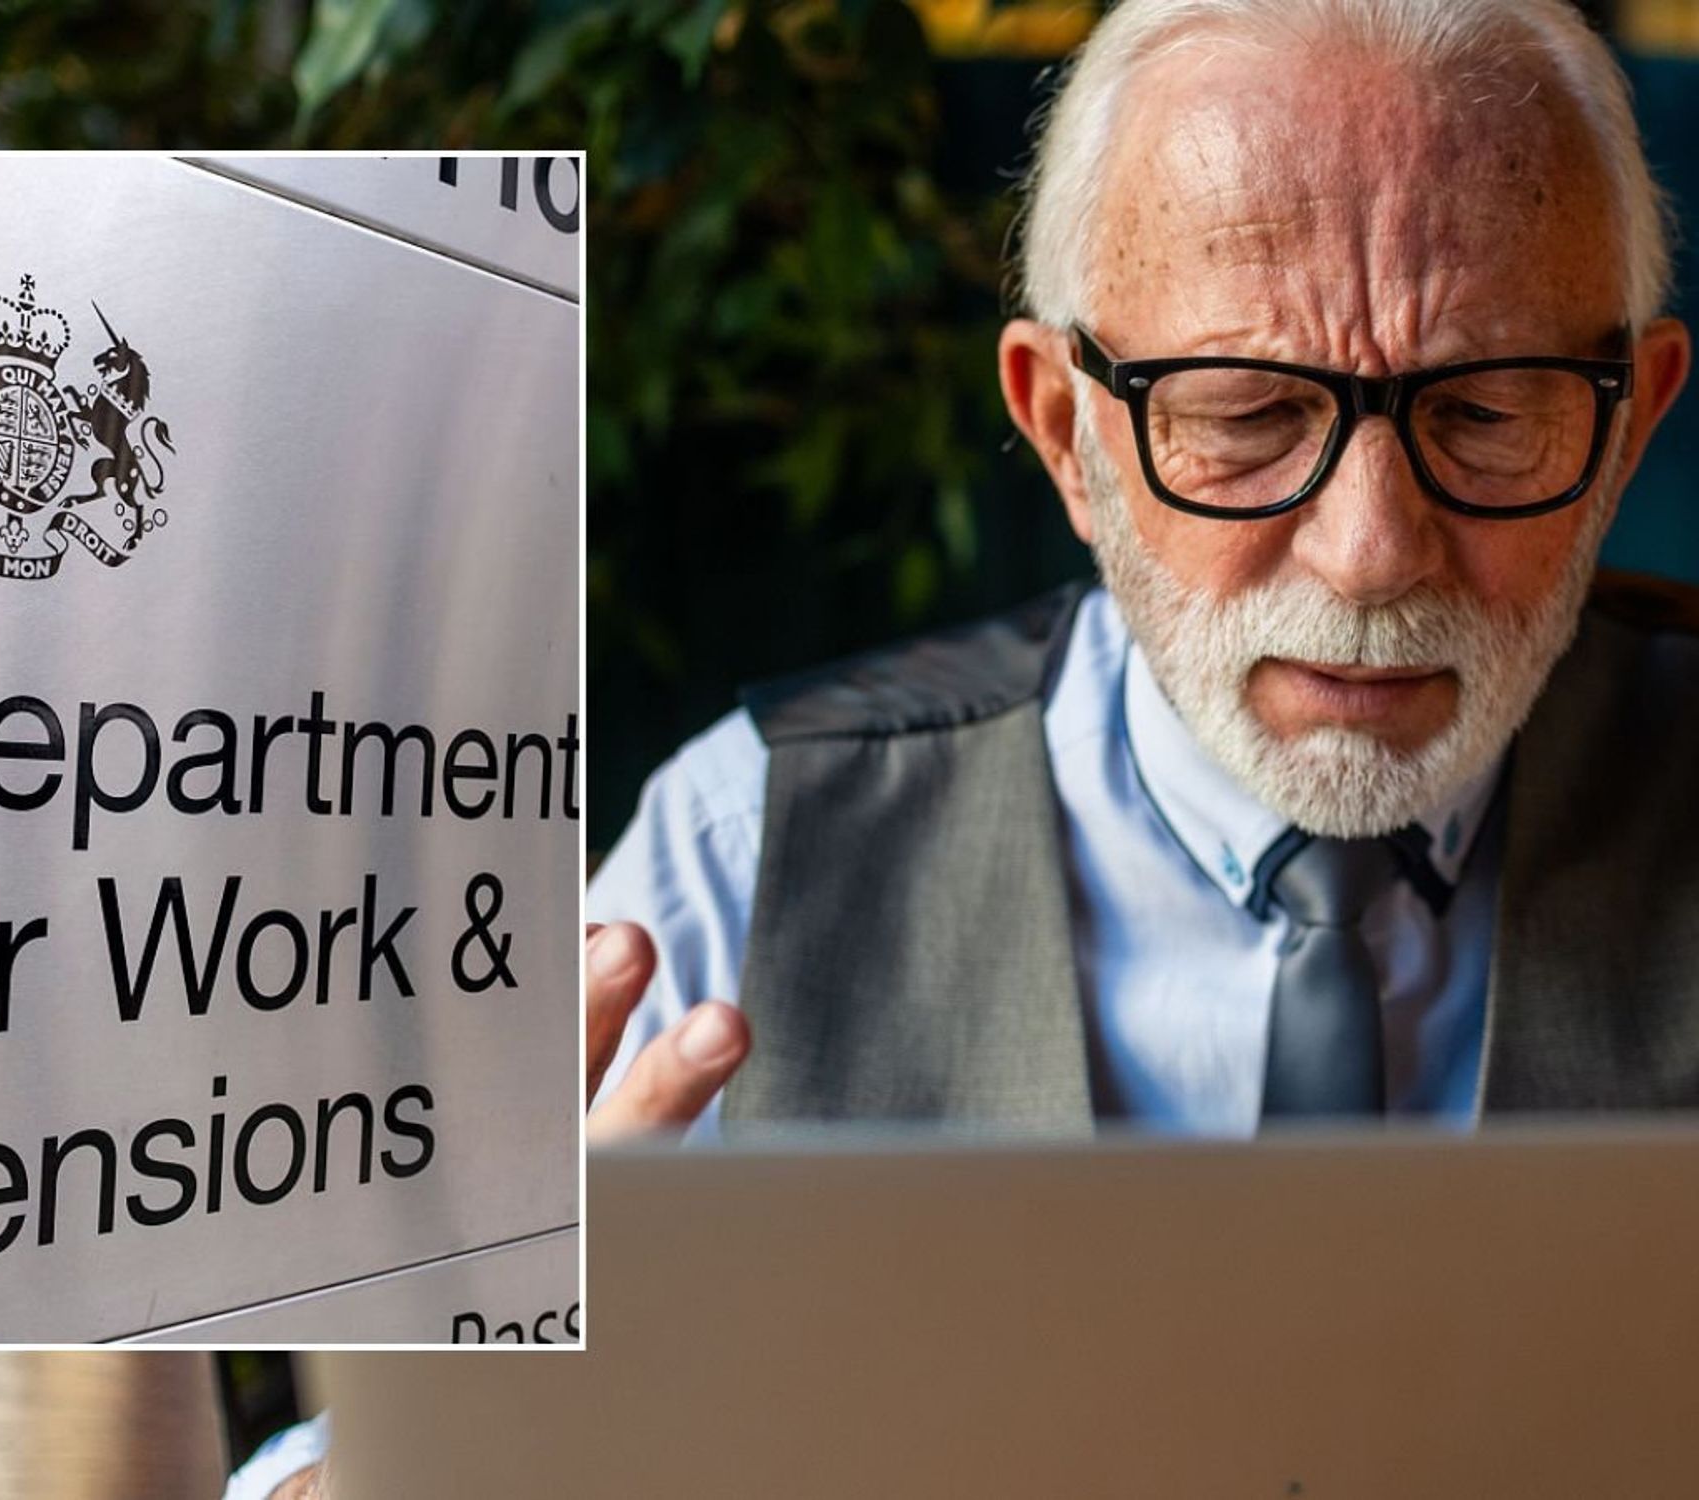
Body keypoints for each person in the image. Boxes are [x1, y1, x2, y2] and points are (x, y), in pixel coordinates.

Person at [586, 0, 1699, 1143]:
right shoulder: (741, 861)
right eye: (1246, 415)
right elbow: (452, 1298)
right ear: (1064, 431)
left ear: (1627, 433)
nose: (1370, 557)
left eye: (1479, 412)